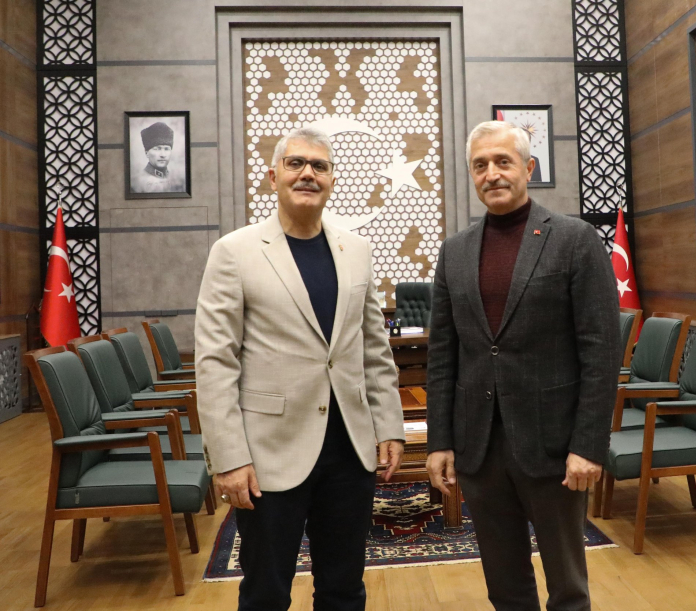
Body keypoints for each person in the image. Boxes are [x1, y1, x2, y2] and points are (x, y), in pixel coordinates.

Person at [195, 127, 405, 611]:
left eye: (320, 166)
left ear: (332, 180)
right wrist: (228, 457)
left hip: (350, 452)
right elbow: (215, 362)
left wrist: (389, 425)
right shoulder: (234, 251)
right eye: (296, 163)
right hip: (269, 455)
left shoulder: (357, 250)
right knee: (266, 593)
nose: (308, 173)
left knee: (344, 590)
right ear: (274, 177)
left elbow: (373, 348)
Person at [425, 120, 620, 611]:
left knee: (568, 587)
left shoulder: (574, 239)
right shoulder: (454, 251)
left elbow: (600, 352)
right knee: (505, 586)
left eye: (502, 161)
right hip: (479, 446)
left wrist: (588, 445)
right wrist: (440, 441)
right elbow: (443, 353)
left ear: (528, 168)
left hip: (554, 446)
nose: (491, 173)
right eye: (480, 165)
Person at [130, 121, 185, 193]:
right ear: (146, 153)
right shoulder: (137, 183)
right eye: (157, 149)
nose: (163, 155)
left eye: (166, 149)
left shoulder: (178, 180)